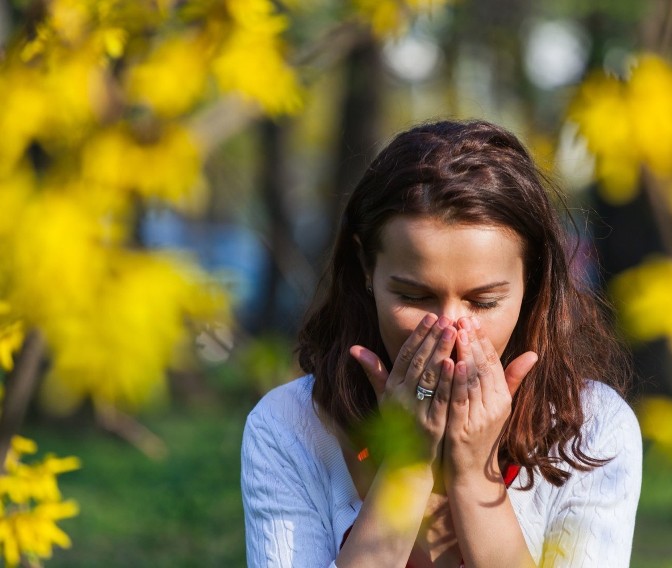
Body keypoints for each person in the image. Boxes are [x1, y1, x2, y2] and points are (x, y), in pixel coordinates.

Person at [241, 119, 642, 568]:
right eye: (414, 297)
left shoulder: (591, 429)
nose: (450, 329)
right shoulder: (291, 428)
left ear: (531, 283)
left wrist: (476, 478)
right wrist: (405, 469)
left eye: (484, 301)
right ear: (366, 269)